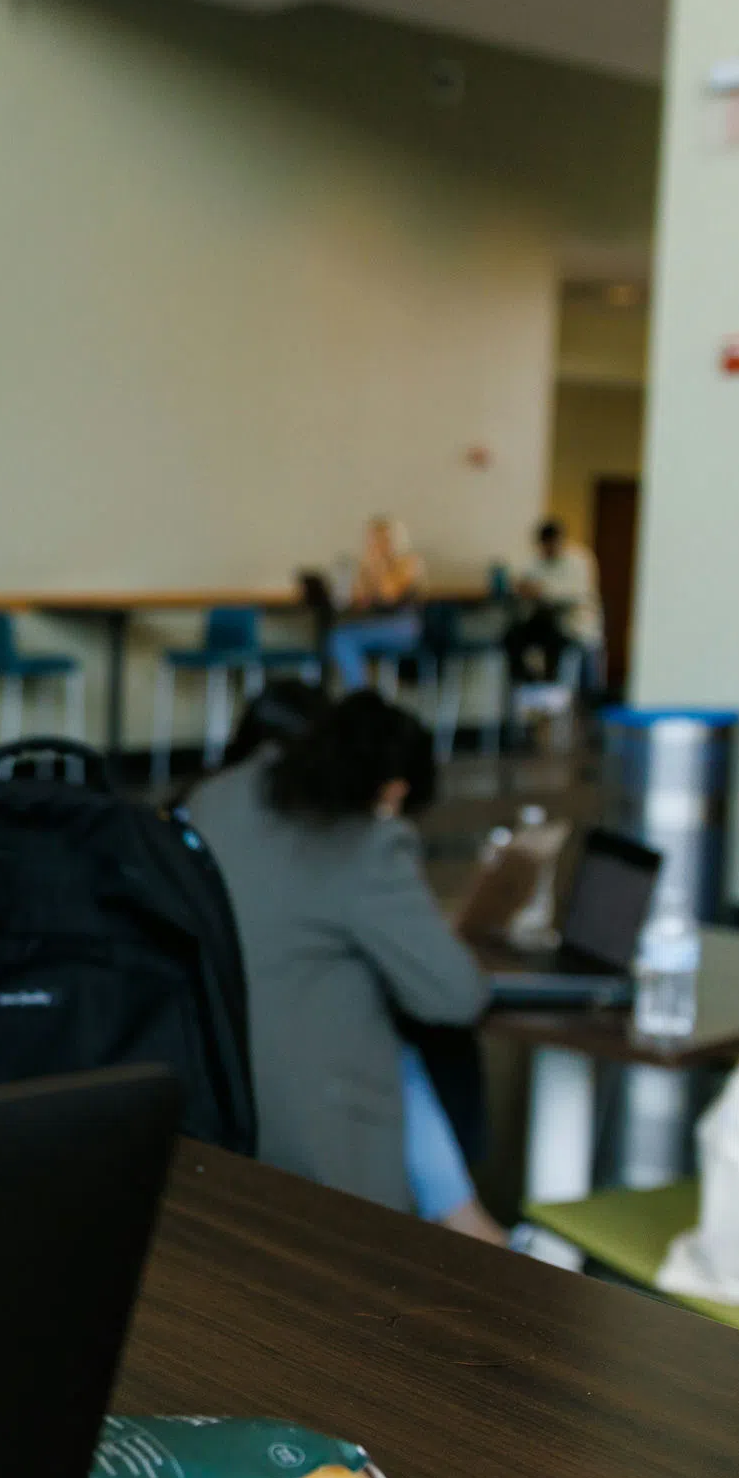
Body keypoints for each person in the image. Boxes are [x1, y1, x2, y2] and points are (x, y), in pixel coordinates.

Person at [187, 685, 503, 1241]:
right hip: (309, 1120)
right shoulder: (367, 841)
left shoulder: (216, 797)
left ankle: (466, 1220)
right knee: (415, 1036)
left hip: (205, 1088)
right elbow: (454, 996)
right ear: (393, 791)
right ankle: (469, 1226)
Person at [326, 515, 425, 692]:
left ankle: (362, 699)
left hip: (404, 626)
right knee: (337, 637)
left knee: (343, 639)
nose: (375, 545)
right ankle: (358, 696)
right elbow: (358, 601)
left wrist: (379, 563)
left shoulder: (408, 563)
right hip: (375, 624)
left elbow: (389, 595)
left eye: (381, 540)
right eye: (372, 540)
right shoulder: (366, 566)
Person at [507, 516, 605, 689]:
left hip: (572, 623)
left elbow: (577, 594)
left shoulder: (579, 560)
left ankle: (554, 691)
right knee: (512, 636)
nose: (549, 550)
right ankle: (528, 683)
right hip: (543, 620)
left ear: (561, 541)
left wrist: (542, 591)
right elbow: (525, 584)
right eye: (545, 546)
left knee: (557, 645)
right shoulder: (536, 562)